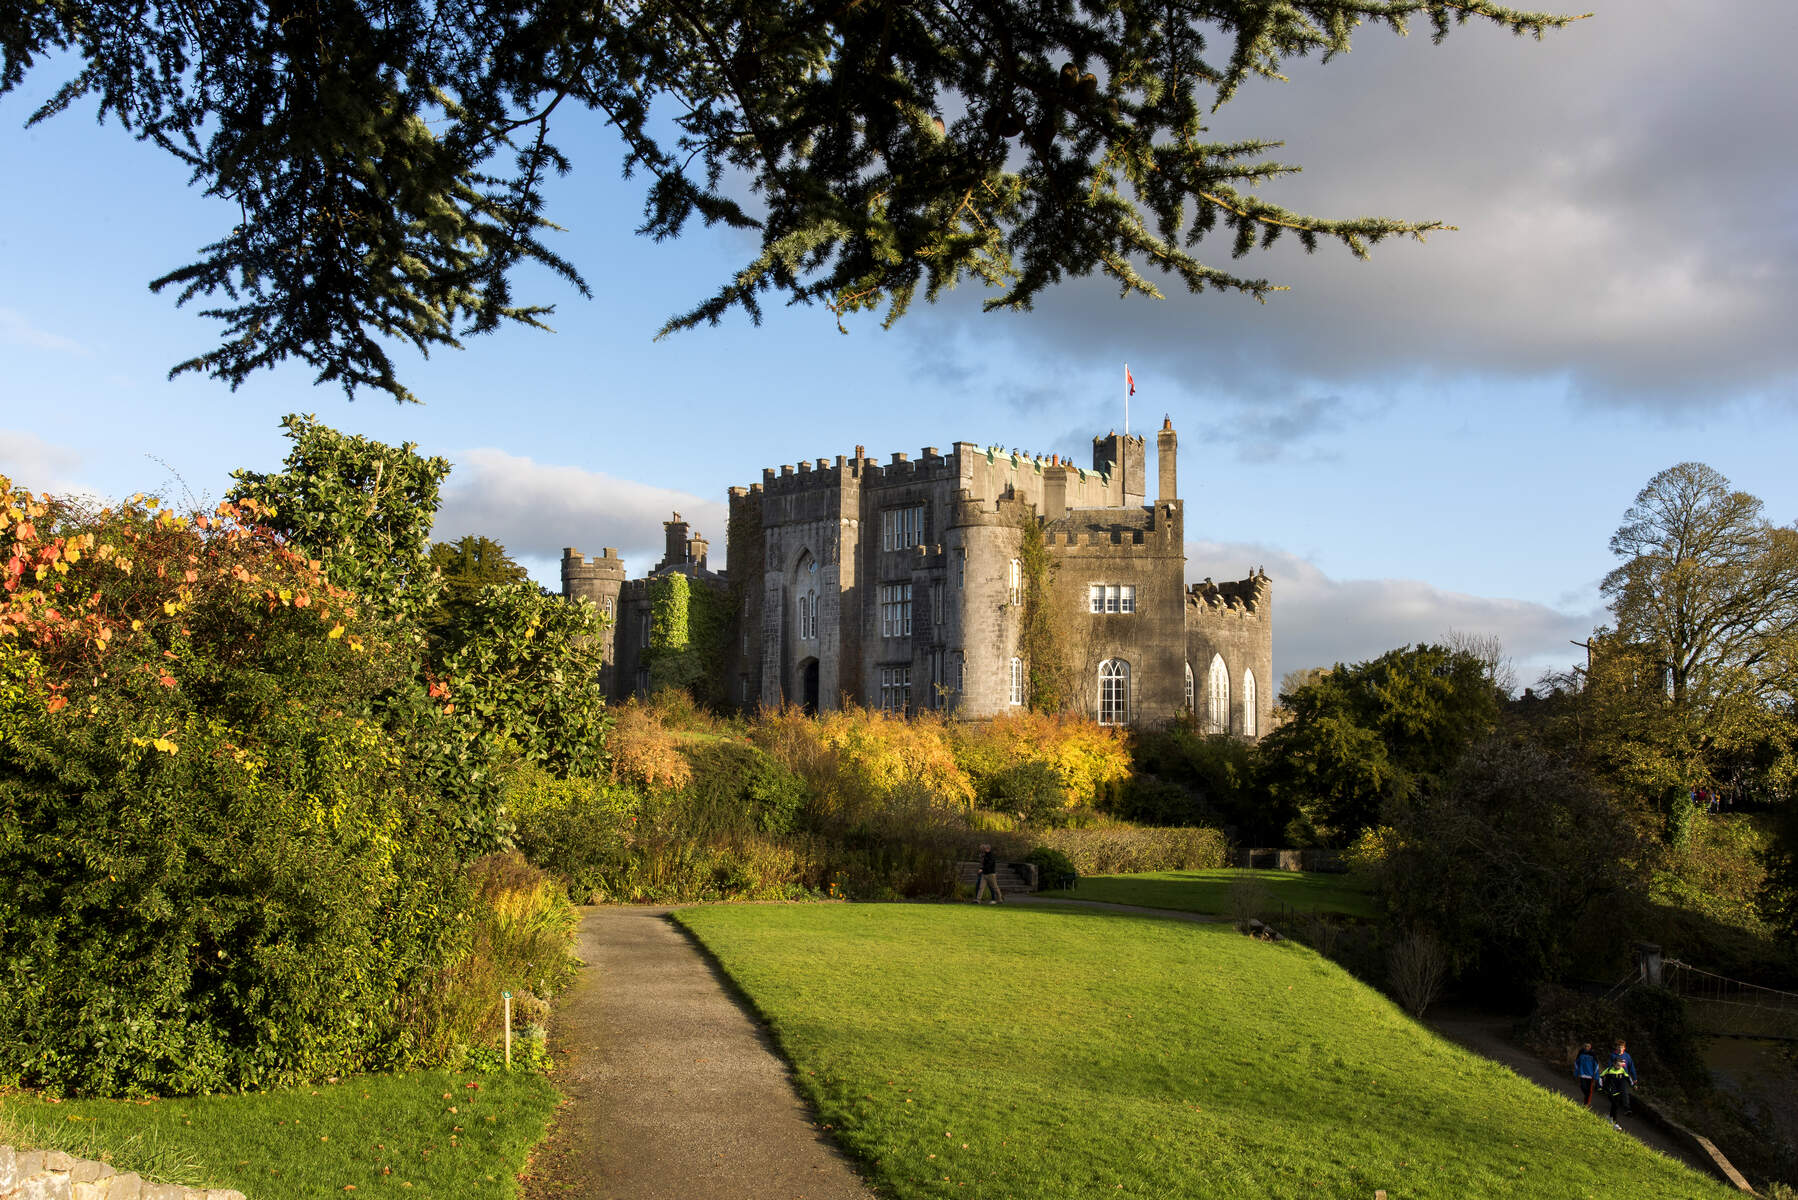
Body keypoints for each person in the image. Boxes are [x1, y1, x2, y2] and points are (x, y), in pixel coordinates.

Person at [1600, 1052, 1634, 1129]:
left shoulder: (1622, 1070)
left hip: (1618, 1091)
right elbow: (1600, 1077)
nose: (1619, 1067)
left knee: (1614, 1105)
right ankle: (1615, 1123)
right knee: (1615, 1105)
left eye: (1620, 1065)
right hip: (1610, 1091)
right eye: (1618, 1065)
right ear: (1614, 1064)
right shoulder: (1609, 1070)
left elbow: (1627, 1077)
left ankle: (1610, 1117)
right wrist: (1601, 1087)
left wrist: (1632, 1084)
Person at [1574, 1042, 1601, 1109]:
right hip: (1582, 1074)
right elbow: (1576, 1063)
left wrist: (1596, 1075)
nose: (1587, 1047)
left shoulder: (1593, 1055)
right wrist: (1577, 1072)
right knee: (1583, 1087)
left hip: (1590, 1075)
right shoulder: (1581, 1053)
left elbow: (1596, 1066)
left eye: (1588, 1046)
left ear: (1590, 1047)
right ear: (1584, 1046)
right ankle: (1586, 1101)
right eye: (1585, 1046)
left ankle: (1587, 1104)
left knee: (1589, 1090)